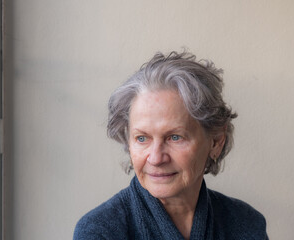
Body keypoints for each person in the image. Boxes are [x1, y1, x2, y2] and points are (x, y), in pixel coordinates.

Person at [74, 51, 268, 240]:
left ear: (216, 142)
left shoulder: (246, 224)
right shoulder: (99, 231)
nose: (156, 158)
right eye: (142, 138)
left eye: (175, 137)